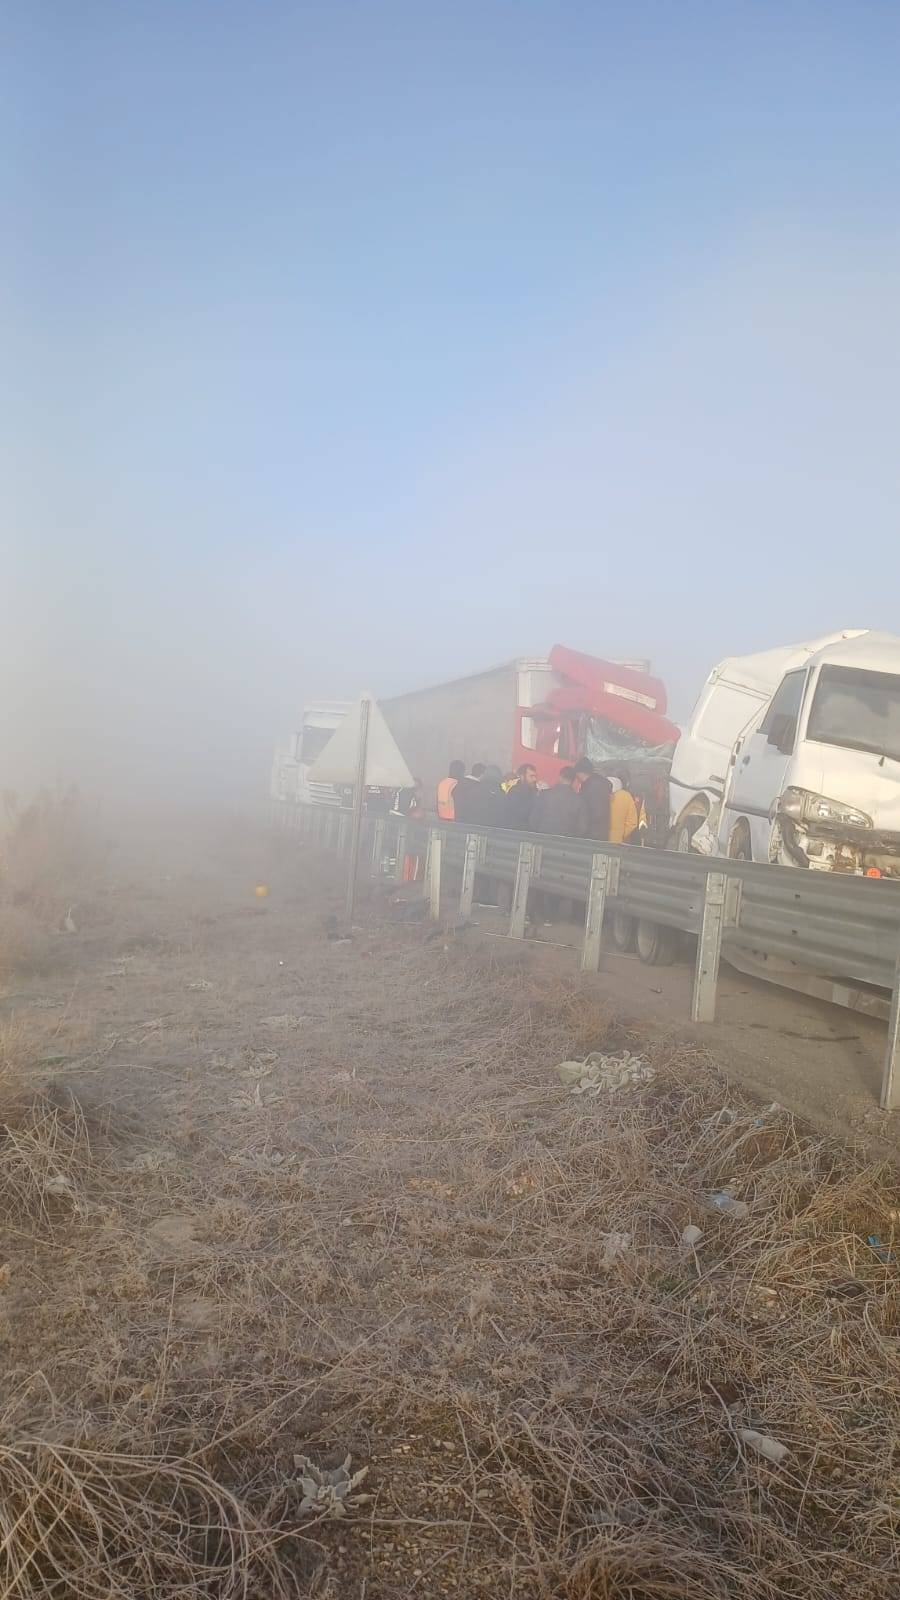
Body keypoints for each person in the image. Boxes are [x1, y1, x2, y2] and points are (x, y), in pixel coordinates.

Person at [531, 765, 581, 837]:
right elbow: (582, 827)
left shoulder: (544, 794)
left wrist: (539, 832)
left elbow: (533, 819)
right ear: (573, 781)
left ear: (560, 777)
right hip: (566, 843)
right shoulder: (579, 800)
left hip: (543, 839)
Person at [573, 757, 612, 842]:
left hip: (591, 836)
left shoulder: (590, 787)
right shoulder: (599, 784)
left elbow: (592, 813)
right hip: (602, 833)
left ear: (580, 772)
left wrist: (581, 831)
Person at [608, 769, 640, 845]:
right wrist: (622, 834)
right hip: (618, 841)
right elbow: (632, 823)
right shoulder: (626, 796)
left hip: (598, 841)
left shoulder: (601, 793)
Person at [503, 763, 539, 828]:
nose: (534, 779)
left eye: (535, 776)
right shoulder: (514, 792)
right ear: (522, 777)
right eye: (531, 776)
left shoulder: (534, 791)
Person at [452, 762, 486, 826]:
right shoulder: (477, 787)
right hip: (470, 822)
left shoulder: (460, 783)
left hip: (456, 819)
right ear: (482, 774)